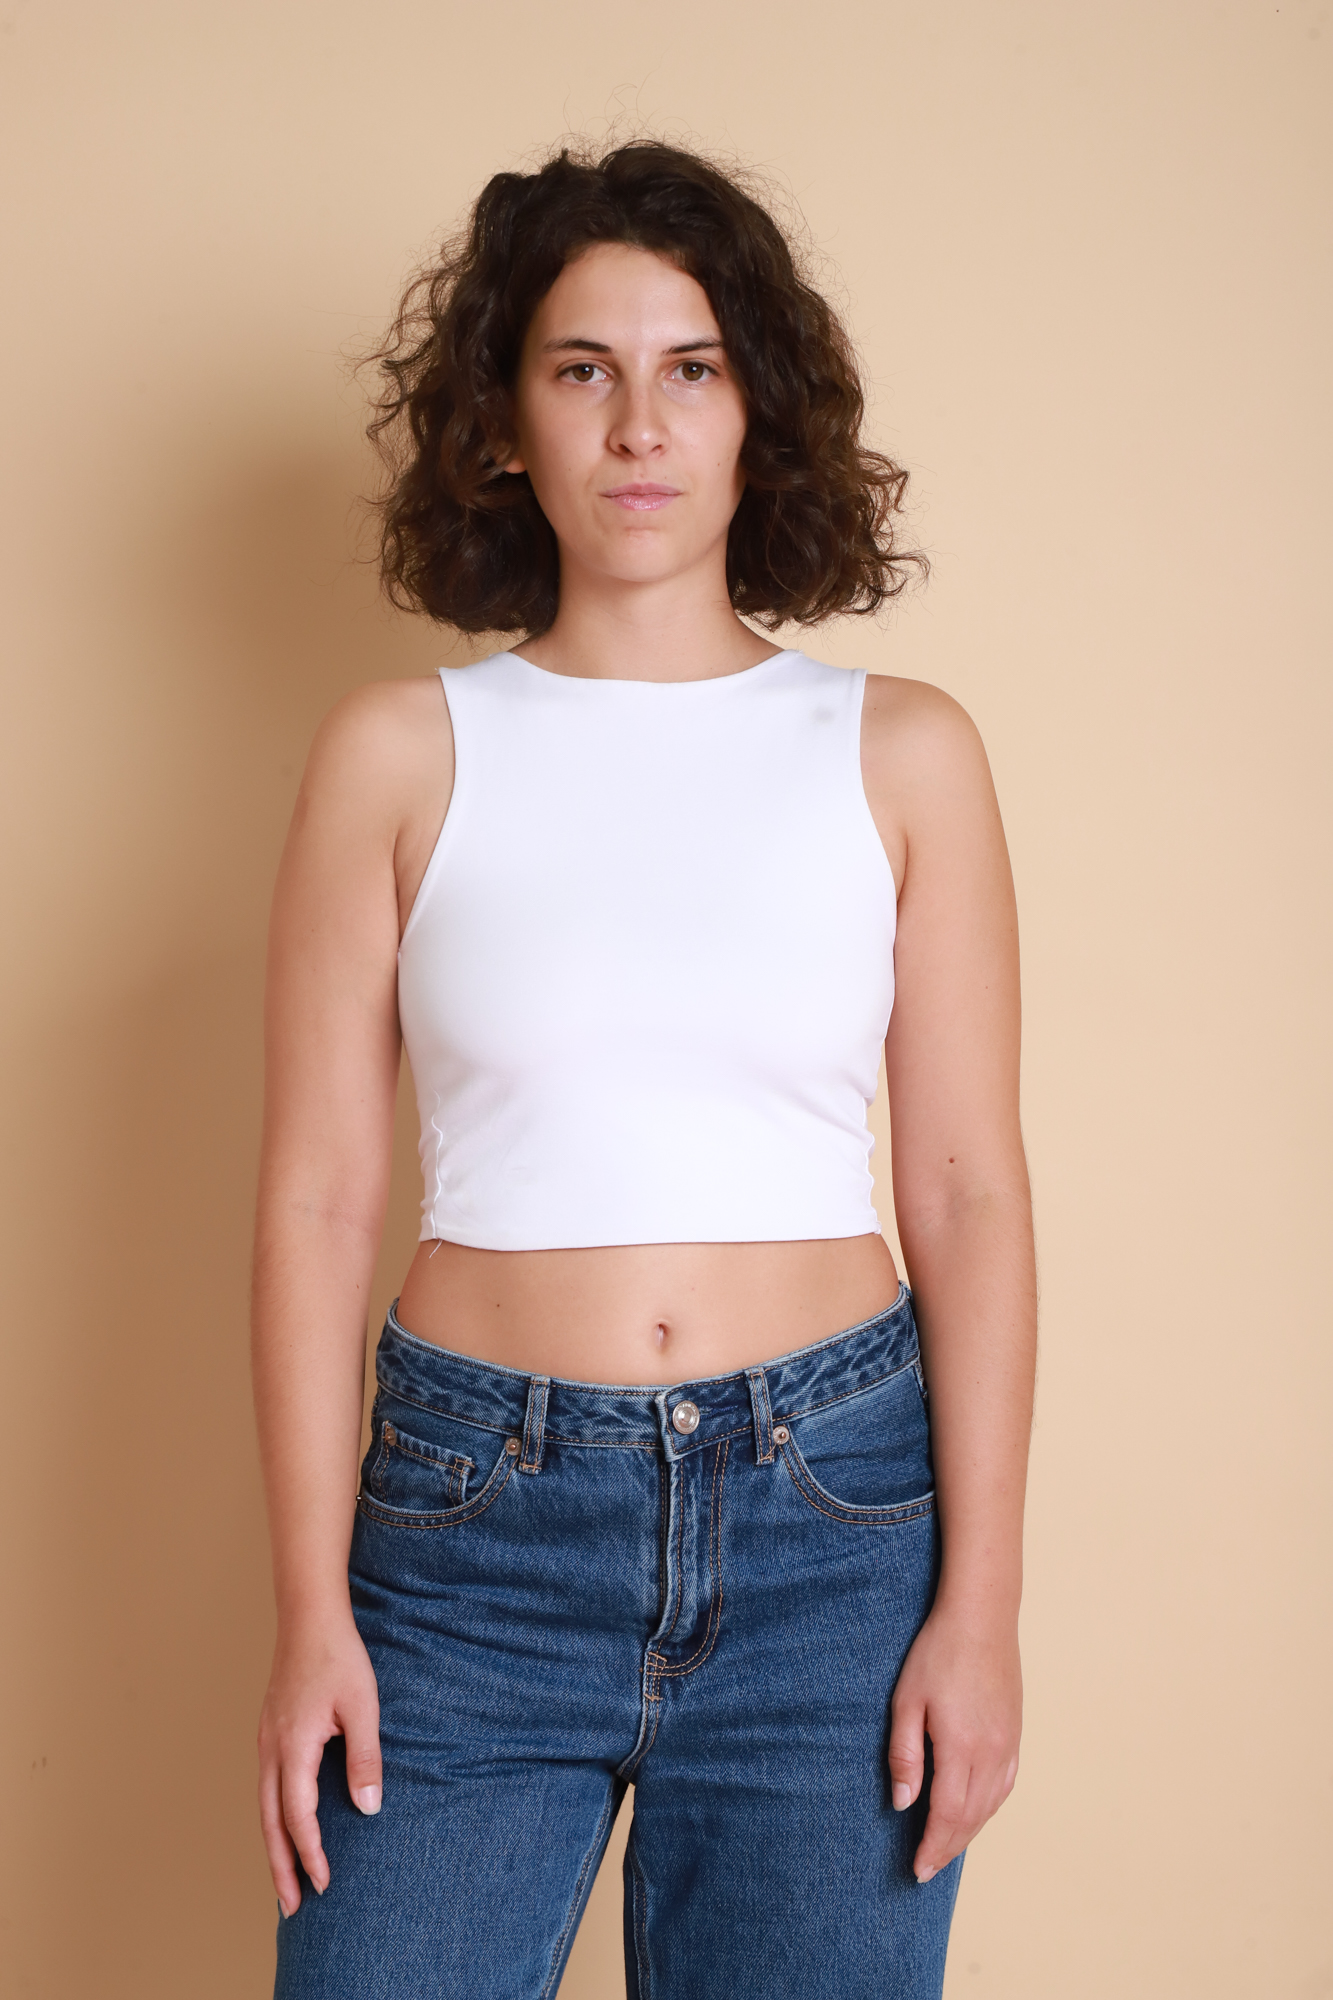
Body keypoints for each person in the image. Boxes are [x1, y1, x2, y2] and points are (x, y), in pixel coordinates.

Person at [252, 139, 1036, 2000]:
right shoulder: (397, 751)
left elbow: (966, 1196)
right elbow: (317, 1202)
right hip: (469, 1538)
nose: (638, 425)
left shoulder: (901, 751)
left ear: (760, 411)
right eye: (580, 369)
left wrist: (981, 1609)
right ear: (502, 422)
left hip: (832, 1530)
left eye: (691, 368)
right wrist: (307, 1613)